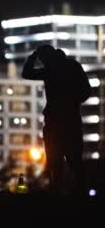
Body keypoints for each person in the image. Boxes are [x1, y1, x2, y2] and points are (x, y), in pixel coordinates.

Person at [22, 45, 90, 195]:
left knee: (57, 163)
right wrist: (73, 102)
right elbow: (87, 91)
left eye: (43, 60)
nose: (43, 63)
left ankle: (60, 195)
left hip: (57, 123)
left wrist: (33, 56)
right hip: (69, 121)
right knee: (73, 163)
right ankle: (78, 194)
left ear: (49, 58)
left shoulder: (51, 70)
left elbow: (26, 73)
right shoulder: (71, 66)